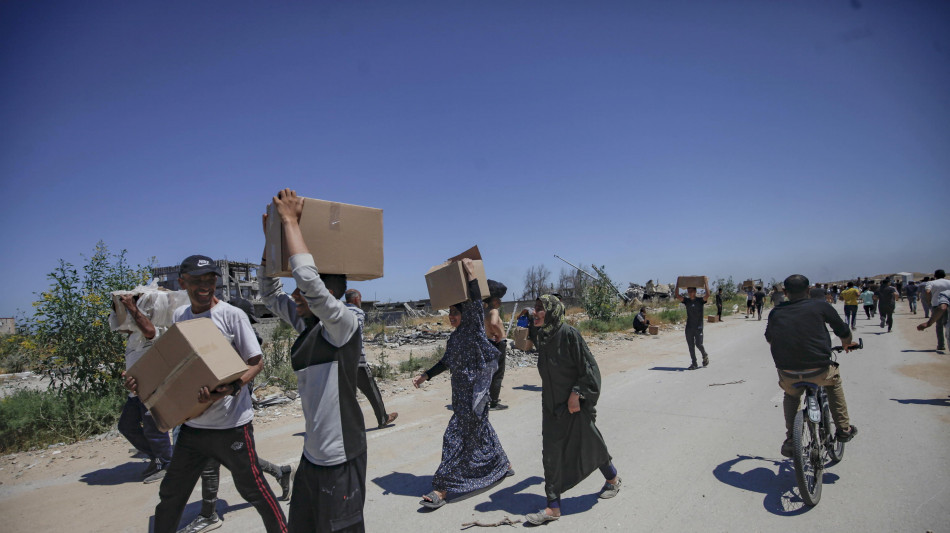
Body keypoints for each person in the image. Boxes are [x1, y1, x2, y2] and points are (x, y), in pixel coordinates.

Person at [128, 255, 288, 533]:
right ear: (183, 283)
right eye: (196, 280)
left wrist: (233, 388)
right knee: (171, 494)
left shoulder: (232, 315)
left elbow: (256, 362)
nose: (205, 286)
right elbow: (174, 368)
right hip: (193, 428)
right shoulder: (181, 316)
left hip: (231, 427)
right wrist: (143, 383)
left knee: (254, 490)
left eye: (210, 280)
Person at [259, 189, 367, 532]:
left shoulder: (343, 324)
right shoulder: (308, 324)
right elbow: (268, 294)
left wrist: (290, 221)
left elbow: (308, 281)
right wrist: (271, 241)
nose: (295, 296)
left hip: (340, 457)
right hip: (313, 457)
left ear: (329, 295)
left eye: (302, 292)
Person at [176, 297, 294, 533]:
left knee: (227, 463)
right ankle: (279, 472)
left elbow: (249, 366)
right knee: (225, 460)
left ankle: (209, 514)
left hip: (230, 411)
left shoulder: (245, 338)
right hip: (208, 414)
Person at [412, 258, 511, 509]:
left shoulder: (474, 330)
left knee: (454, 438)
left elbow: (477, 304)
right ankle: (502, 464)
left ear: (466, 314)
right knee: (482, 430)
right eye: (450, 313)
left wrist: (470, 276)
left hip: (475, 396)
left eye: (456, 312)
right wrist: (426, 375)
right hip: (461, 398)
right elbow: (446, 362)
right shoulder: (455, 340)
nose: (452, 317)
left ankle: (441, 489)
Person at [524, 295, 621, 525]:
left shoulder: (569, 334)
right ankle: (553, 506)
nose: (535, 312)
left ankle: (613, 478)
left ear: (552, 311)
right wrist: (526, 319)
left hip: (574, 404)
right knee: (551, 453)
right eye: (535, 308)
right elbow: (522, 340)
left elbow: (591, 370)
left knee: (590, 442)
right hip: (550, 405)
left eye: (540, 309)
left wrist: (577, 393)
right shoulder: (542, 335)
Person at [764, 274, 859, 458]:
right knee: (834, 383)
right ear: (809, 291)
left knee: (791, 396)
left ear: (785, 292)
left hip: (788, 373)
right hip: (820, 370)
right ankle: (843, 428)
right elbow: (843, 331)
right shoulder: (821, 306)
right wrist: (847, 343)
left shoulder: (776, 312)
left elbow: (769, 338)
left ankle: (792, 438)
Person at [113, 294, 174, 484]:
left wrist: (131, 307)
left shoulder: (153, 330)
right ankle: (159, 457)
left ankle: (165, 463)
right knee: (127, 425)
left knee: (153, 428)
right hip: (135, 389)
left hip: (151, 386)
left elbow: (149, 330)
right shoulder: (134, 337)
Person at [344, 289, 399, 429]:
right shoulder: (359, 313)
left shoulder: (337, 312)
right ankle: (383, 419)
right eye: (360, 298)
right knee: (371, 390)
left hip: (340, 361)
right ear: (356, 299)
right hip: (357, 360)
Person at [484, 280, 509, 411]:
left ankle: (486, 399)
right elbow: (494, 323)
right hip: (498, 344)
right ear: (494, 301)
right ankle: (494, 402)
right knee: (498, 374)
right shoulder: (494, 311)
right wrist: (500, 334)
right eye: (498, 299)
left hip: (489, 342)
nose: (500, 302)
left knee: (489, 373)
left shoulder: (484, 311)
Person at [674, 281, 710, 370]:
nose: (689, 293)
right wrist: (678, 283)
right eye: (688, 291)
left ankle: (704, 355)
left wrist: (705, 282)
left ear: (695, 291)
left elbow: (707, 295)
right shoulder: (687, 301)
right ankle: (694, 363)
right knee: (691, 346)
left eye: (691, 291)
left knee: (699, 344)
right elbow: (677, 295)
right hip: (689, 327)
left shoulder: (700, 301)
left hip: (698, 327)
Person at [924, 270, 950, 351]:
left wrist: (928, 301)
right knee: (947, 324)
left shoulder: (931, 283)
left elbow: (927, 291)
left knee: (939, 326)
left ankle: (941, 345)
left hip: (936, 305)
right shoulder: (949, 282)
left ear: (935, 276)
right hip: (948, 304)